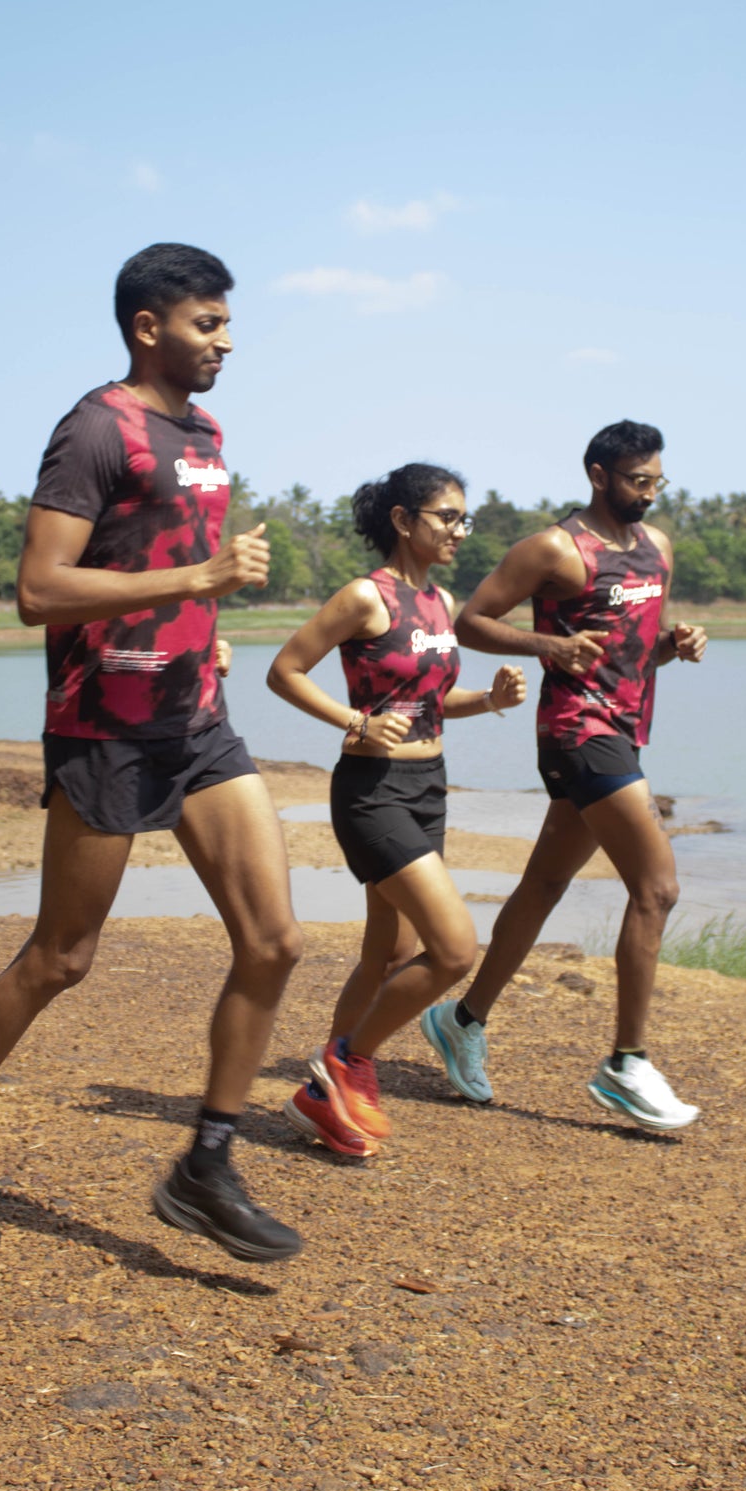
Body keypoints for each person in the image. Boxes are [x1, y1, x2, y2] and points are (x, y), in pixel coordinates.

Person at [0, 242, 306, 1265]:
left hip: (195, 721)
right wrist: (202, 575)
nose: (225, 340)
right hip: (104, 724)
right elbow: (40, 587)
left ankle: (205, 1162)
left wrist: (206, 616)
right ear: (146, 326)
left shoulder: (204, 431)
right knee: (61, 958)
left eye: (225, 321)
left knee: (274, 941)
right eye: (207, 322)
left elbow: (169, 569)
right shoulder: (94, 427)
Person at [421, 420, 706, 1132]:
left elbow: (634, 652)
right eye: (637, 480)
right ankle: (626, 1063)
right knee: (657, 886)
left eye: (656, 481)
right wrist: (548, 643)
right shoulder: (553, 548)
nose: (647, 493)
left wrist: (674, 644)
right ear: (598, 474)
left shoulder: (656, 548)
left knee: (545, 883)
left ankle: (461, 1019)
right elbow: (469, 621)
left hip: (625, 730)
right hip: (577, 733)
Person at [265, 465, 525, 1157]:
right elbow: (283, 670)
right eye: (446, 517)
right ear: (404, 520)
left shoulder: (439, 603)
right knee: (451, 949)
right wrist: (353, 722)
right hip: (371, 790)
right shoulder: (363, 597)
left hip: (428, 787)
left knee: (390, 952)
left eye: (462, 518)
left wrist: (491, 701)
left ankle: (329, 1094)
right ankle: (347, 1067)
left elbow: (433, 704)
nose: (458, 531)